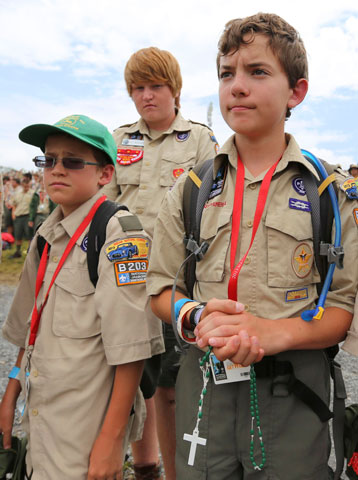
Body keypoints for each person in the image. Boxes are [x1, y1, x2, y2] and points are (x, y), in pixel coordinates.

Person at [147, 13, 358, 479]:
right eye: (227, 74)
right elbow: (158, 288)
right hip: (205, 388)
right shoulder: (189, 189)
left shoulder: (329, 193)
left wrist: (271, 333)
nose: (236, 86)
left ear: (296, 92)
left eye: (257, 72)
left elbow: (342, 306)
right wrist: (195, 316)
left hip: (292, 392)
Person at [0, 114, 164, 479]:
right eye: (48, 159)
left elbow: (133, 351)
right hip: (43, 415)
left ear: (105, 175)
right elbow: (30, 326)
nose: (56, 169)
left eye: (72, 161)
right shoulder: (45, 236)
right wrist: (11, 392)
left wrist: (111, 439)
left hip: (84, 428)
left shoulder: (120, 236)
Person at [103, 47, 218, 480]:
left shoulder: (201, 140)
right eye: (138, 88)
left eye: (156, 86)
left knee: (169, 387)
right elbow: (104, 206)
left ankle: (174, 472)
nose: (146, 96)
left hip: (173, 280)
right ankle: (145, 468)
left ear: (175, 90)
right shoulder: (118, 140)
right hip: (124, 279)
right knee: (131, 378)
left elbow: (212, 207)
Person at [10, 177, 34, 258]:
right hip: (18, 217)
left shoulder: (33, 194)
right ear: (22, 185)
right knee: (18, 235)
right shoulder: (18, 193)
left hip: (27, 217)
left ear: (29, 185)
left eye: (27, 186)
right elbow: (14, 204)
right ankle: (18, 252)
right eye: (24, 186)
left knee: (29, 236)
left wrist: (32, 218)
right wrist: (13, 214)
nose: (26, 188)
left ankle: (30, 252)